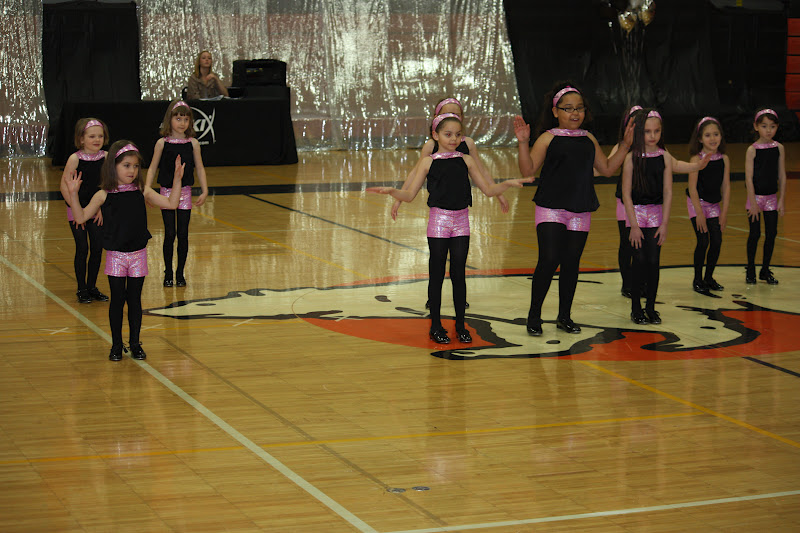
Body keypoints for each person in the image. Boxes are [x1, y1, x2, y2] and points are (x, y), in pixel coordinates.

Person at [367, 114, 532, 344]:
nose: (453, 139)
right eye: (447, 134)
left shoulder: (466, 160)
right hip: (439, 221)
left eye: (457, 134)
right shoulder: (428, 162)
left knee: (458, 275)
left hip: (461, 221)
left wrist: (506, 184)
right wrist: (393, 192)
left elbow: (488, 190)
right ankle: (435, 325)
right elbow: (410, 194)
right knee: (436, 274)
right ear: (435, 135)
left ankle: (461, 325)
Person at [514, 82, 632, 336]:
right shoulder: (548, 137)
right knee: (549, 259)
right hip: (551, 208)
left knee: (571, 262)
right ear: (555, 111)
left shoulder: (588, 138)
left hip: (580, 208)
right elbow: (527, 170)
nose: (575, 113)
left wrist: (624, 146)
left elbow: (607, 169)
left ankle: (564, 316)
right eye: (568, 108)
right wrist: (523, 142)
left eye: (579, 108)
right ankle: (534, 315)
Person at [63, 141, 184, 361]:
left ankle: (135, 343)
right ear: (113, 166)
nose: (132, 171)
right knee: (117, 300)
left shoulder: (142, 190)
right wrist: (73, 195)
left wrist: (177, 180)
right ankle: (116, 345)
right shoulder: (103, 195)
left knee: (135, 300)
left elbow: (171, 204)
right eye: (126, 165)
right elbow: (80, 217)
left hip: (138, 255)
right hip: (116, 257)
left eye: (135, 166)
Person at [391, 97, 508, 220]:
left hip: (460, 208)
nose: (452, 117)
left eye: (456, 115)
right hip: (439, 208)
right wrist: (399, 200)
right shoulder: (431, 146)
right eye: (447, 114)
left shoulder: (468, 144)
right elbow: (415, 173)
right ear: (437, 117)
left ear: (462, 117)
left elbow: (482, 171)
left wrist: (499, 195)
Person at [145, 100, 209, 288]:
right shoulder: (162, 143)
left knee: (183, 234)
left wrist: (205, 189)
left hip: (185, 192)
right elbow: (152, 168)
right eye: (178, 118)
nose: (182, 123)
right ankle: (168, 272)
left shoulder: (193, 143)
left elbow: (200, 168)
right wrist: (147, 190)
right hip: (166, 193)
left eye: (186, 119)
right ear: (169, 119)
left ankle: (180, 272)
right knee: (170, 233)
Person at [621, 109, 673, 325]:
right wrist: (633, 225)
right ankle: (636, 308)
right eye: (647, 131)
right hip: (636, 214)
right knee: (639, 260)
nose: (652, 136)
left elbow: (668, 191)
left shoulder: (665, 156)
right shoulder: (631, 158)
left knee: (653, 261)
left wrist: (665, 223)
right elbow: (626, 193)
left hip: (656, 214)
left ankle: (650, 307)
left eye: (656, 131)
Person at [59, 118, 111, 304]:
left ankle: (92, 287)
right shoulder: (75, 159)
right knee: (82, 248)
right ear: (81, 139)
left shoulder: (106, 157)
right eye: (92, 136)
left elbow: (108, 186)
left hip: (97, 210)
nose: (97, 140)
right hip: (77, 209)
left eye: (100, 136)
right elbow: (64, 186)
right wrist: (77, 209)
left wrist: (100, 208)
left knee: (97, 248)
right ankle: (81, 288)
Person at [687, 116, 730, 294]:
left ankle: (709, 277)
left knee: (717, 241)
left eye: (716, 134)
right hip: (697, 204)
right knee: (703, 241)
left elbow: (726, 186)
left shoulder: (724, 159)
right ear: (699, 138)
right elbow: (692, 188)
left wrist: (724, 213)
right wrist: (699, 214)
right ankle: (697, 279)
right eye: (707, 135)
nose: (712, 138)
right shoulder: (695, 160)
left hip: (714, 205)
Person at [744, 108, 786, 285]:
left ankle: (765, 269)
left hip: (771, 198)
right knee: (754, 234)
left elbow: (782, 174)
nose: (768, 130)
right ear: (756, 127)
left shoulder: (779, 148)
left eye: (772, 126)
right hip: (755, 198)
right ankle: (750, 269)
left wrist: (781, 199)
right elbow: (748, 178)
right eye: (764, 126)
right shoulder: (752, 150)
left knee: (772, 234)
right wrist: (753, 202)